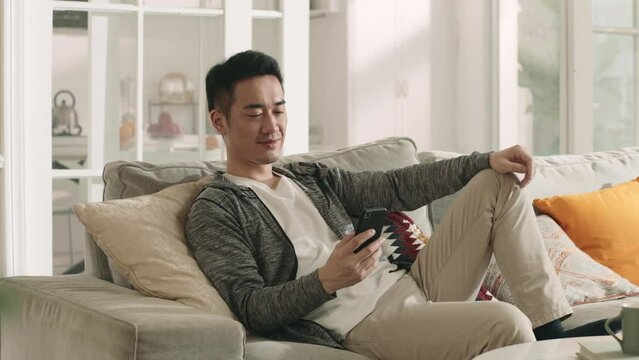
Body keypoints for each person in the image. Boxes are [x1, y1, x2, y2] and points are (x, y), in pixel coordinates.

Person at [185, 50, 617, 360]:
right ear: (219, 121)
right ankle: (549, 345)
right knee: (504, 322)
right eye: (254, 113)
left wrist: (483, 159)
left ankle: (553, 328)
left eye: (278, 110)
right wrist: (326, 280)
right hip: (361, 324)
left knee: (496, 183)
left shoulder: (309, 177)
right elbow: (250, 305)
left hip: (411, 285)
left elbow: (396, 186)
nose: (272, 125)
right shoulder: (217, 208)